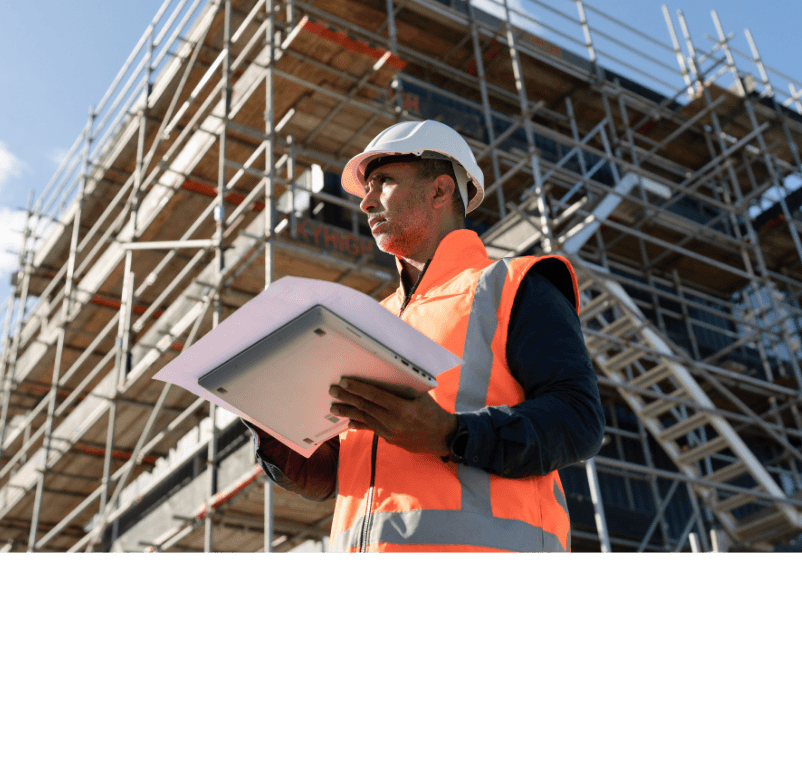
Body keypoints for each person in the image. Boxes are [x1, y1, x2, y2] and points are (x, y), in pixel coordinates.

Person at [249, 120, 605, 552]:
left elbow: (579, 420)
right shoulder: (367, 322)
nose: (365, 202)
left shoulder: (512, 285)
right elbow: (335, 478)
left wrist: (451, 434)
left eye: (383, 182)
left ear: (439, 191)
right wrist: (273, 432)